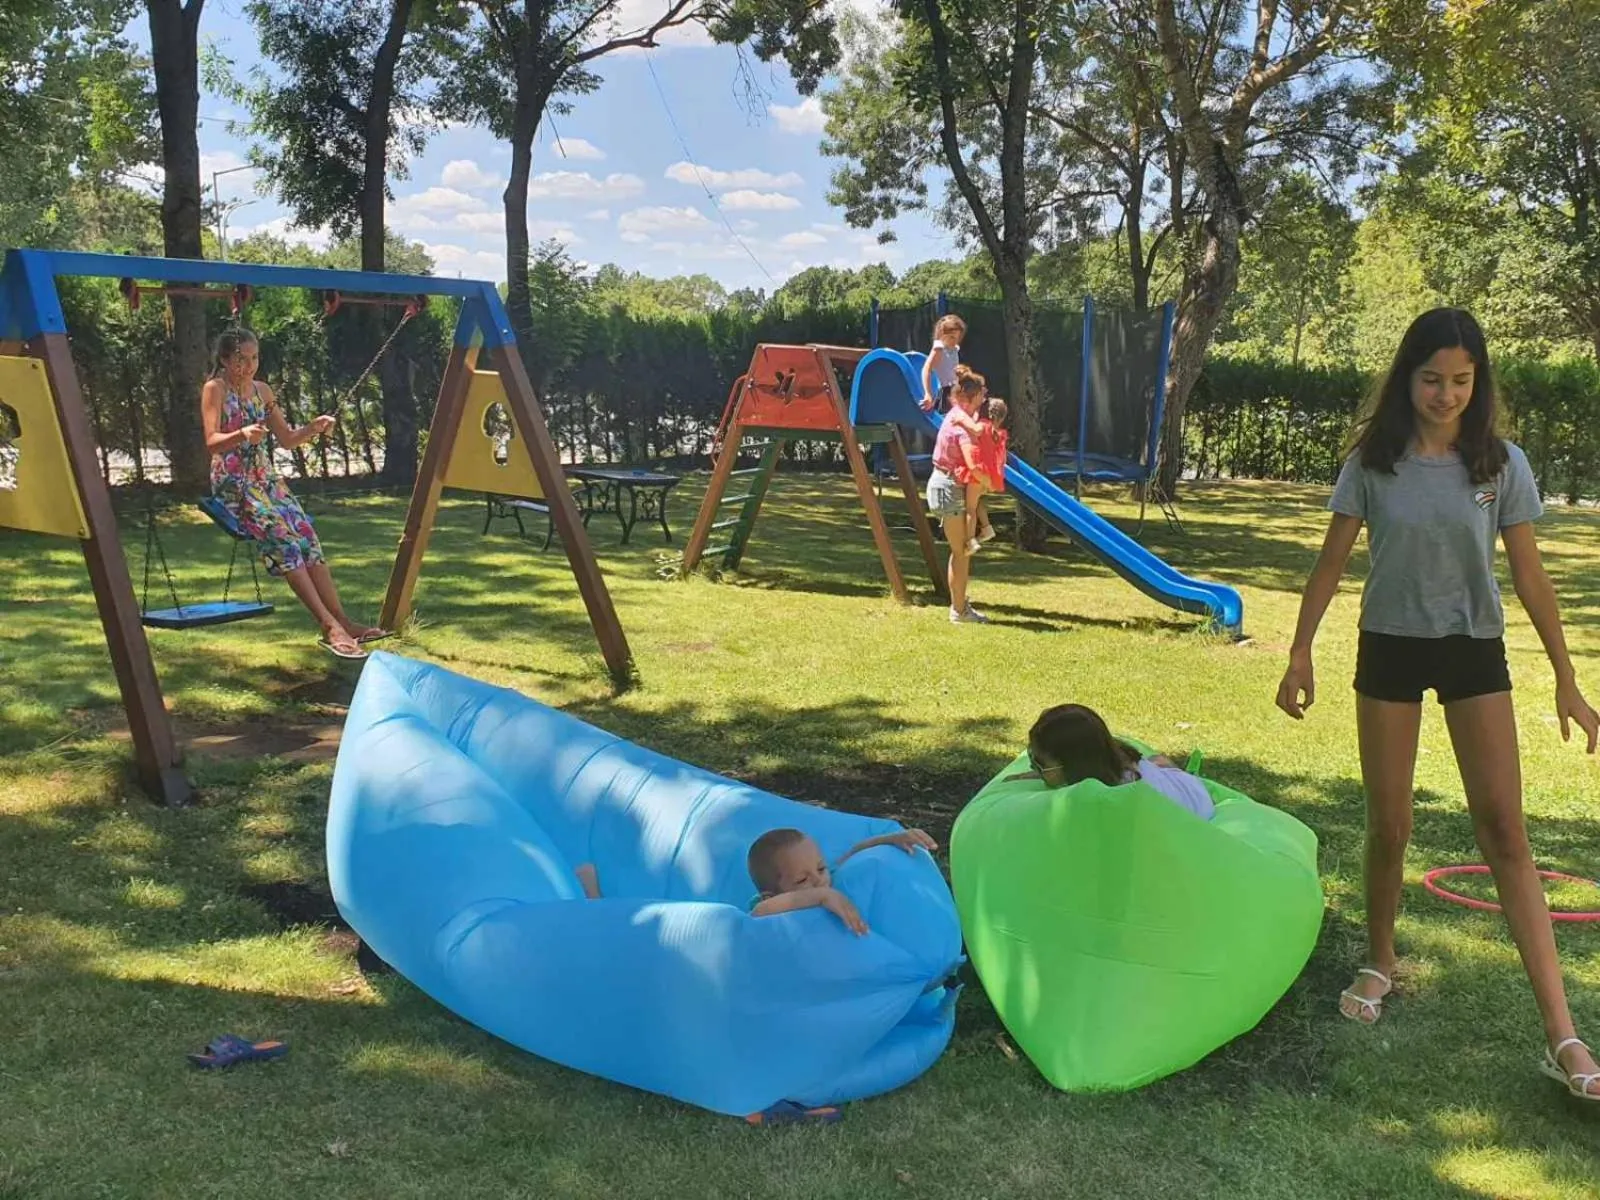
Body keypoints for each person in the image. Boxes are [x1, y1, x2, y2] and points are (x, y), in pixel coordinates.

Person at [1274, 307, 1599, 1101]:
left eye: (1461, 379)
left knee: (1506, 832)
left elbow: (1529, 578)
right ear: (1405, 379)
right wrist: (1299, 650)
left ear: (1478, 383)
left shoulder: (1500, 464)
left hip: (1472, 652)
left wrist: (1567, 678)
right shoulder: (1373, 461)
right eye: (1431, 379)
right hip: (1387, 646)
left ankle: (1563, 1034)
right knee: (1389, 824)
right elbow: (1330, 565)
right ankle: (1379, 959)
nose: (1446, 393)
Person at [201, 328, 387, 660]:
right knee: (284, 541)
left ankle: (343, 619)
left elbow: (287, 439)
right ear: (225, 359)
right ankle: (329, 626)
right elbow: (212, 442)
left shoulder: (262, 390)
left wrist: (312, 428)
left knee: (307, 538)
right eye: (240, 359)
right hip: (234, 482)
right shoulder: (215, 389)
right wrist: (242, 434)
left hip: (266, 479)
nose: (248, 365)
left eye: (254, 357)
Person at [1011, 703, 1214, 820]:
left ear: (1074, 764)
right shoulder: (1111, 761)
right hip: (1177, 784)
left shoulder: (1120, 795)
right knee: (1154, 762)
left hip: (1194, 807)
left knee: (1156, 768)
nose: (1032, 766)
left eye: (1040, 763)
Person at [746, 826, 939, 934]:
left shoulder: (828, 880)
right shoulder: (766, 908)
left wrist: (891, 839)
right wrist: (821, 896)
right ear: (768, 896)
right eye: (802, 880)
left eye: (821, 868)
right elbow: (758, 913)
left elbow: (853, 855)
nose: (819, 880)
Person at [925, 369, 991, 624]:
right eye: (982, 396)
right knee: (961, 550)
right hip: (947, 488)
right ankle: (959, 610)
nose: (984, 401)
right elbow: (972, 465)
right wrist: (988, 482)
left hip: (948, 486)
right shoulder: (960, 423)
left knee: (962, 551)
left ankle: (961, 606)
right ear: (971, 397)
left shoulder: (958, 416)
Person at [962, 396, 1007, 554]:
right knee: (977, 501)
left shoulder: (981, 425)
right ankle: (987, 528)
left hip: (977, 472)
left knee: (969, 509)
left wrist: (961, 421)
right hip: (989, 473)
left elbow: (973, 431)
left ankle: (970, 541)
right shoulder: (998, 432)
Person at [920, 313, 967, 413]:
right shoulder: (939, 348)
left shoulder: (954, 349)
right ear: (942, 334)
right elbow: (926, 369)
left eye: (958, 338)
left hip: (954, 390)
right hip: (944, 392)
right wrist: (927, 393)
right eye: (951, 337)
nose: (955, 341)